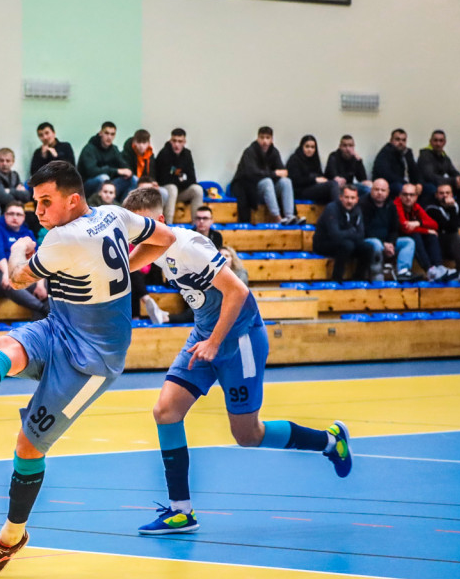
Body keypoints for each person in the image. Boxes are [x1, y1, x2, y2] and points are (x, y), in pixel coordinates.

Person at [0, 160, 176, 576]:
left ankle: (11, 536)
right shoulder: (115, 215)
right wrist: (121, 264)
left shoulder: (63, 239)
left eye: (46, 202)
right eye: (35, 202)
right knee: (3, 347)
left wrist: (16, 252)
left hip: (93, 360)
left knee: (27, 447)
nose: (39, 211)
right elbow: (167, 237)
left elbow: (15, 279)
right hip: (60, 325)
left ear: (73, 199)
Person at [123, 186, 353, 536]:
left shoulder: (189, 246)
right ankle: (181, 511)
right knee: (166, 411)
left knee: (247, 434)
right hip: (204, 335)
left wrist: (215, 343)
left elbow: (239, 292)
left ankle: (329, 441)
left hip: (239, 338)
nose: (131, 237)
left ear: (156, 221)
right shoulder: (156, 245)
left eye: (135, 227)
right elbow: (122, 266)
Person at [0, 202, 48, 317]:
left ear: (24, 217)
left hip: (20, 274)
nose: (15, 217)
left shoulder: (27, 233)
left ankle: (42, 324)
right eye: (11, 214)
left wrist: (40, 285)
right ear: (5, 215)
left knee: (49, 285)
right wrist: (7, 273)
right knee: (12, 281)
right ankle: (42, 309)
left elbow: (37, 259)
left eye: (18, 214)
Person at [231, 126, 298, 225]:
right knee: (267, 181)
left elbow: (283, 172)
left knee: (286, 181)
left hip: (269, 189)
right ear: (257, 138)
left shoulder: (274, 152)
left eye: (267, 138)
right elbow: (252, 173)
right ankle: (277, 217)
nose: (264, 141)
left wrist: (277, 174)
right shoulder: (250, 151)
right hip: (252, 187)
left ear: (272, 139)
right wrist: (274, 174)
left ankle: (289, 216)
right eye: (262, 137)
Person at [312, 185, 374, 281]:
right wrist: (351, 231)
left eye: (352, 198)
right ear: (341, 197)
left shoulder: (357, 210)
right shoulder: (332, 208)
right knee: (347, 245)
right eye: (347, 197)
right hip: (323, 243)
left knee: (368, 247)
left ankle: (359, 278)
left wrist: (348, 233)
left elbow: (361, 234)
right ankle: (337, 278)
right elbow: (334, 235)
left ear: (357, 199)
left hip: (347, 243)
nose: (349, 201)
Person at [395, 183, 454, 282]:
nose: (408, 198)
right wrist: (425, 230)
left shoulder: (416, 207)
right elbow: (405, 228)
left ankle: (438, 267)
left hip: (410, 234)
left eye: (411, 195)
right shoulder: (396, 205)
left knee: (431, 236)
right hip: (397, 237)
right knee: (415, 235)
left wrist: (419, 223)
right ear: (400, 196)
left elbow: (434, 224)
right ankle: (429, 270)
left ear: (416, 197)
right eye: (405, 195)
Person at [361, 178, 415, 282]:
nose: (379, 193)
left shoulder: (391, 205)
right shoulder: (363, 204)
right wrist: (383, 243)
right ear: (371, 190)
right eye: (376, 189)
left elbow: (394, 229)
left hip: (386, 242)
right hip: (368, 240)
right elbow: (364, 230)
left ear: (388, 192)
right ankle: (377, 273)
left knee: (408, 242)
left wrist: (391, 243)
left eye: (383, 190)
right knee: (376, 243)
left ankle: (403, 271)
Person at [155, 128, 203, 225]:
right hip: (166, 192)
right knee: (172, 188)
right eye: (174, 141)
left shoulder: (187, 154)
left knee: (197, 189)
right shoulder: (164, 154)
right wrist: (181, 179)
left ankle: (197, 225)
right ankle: (168, 225)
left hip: (181, 191)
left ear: (184, 142)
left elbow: (192, 178)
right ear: (170, 141)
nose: (177, 144)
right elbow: (163, 179)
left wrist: (178, 179)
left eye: (180, 141)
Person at [77, 121, 133, 199]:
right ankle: (98, 205)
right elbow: (92, 171)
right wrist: (117, 171)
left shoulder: (114, 149)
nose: (109, 137)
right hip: (87, 186)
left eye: (112, 134)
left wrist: (128, 171)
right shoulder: (89, 149)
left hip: (109, 184)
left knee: (133, 179)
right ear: (100, 133)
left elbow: (124, 165)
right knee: (103, 178)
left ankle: (123, 207)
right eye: (106, 133)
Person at [425, 182, 460, 280]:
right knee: (454, 235)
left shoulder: (457, 206)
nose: (445, 195)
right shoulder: (431, 209)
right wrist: (451, 208)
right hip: (439, 245)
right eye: (441, 193)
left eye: (447, 193)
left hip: (455, 246)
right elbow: (450, 228)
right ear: (436, 195)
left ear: (452, 194)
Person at [286, 135, 341, 206]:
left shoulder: (315, 159)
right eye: (307, 146)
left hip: (313, 188)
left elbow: (320, 175)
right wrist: (314, 180)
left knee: (337, 188)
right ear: (302, 147)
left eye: (312, 147)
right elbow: (295, 180)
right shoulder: (294, 159)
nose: (310, 150)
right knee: (332, 185)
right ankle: (339, 213)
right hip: (301, 191)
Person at [123, 129, 169, 212]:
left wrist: (152, 182)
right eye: (139, 142)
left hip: (146, 183)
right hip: (132, 183)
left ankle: (158, 215)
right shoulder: (127, 152)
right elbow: (128, 172)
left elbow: (152, 173)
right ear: (134, 142)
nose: (141, 146)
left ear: (148, 143)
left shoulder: (150, 155)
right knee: (135, 179)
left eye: (144, 143)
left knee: (164, 192)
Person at [418, 130, 460, 204]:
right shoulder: (425, 155)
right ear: (430, 141)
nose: (438, 143)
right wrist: (453, 180)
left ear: (444, 142)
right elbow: (430, 176)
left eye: (441, 141)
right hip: (428, 184)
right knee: (434, 189)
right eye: (435, 140)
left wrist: (459, 179)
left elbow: (453, 171)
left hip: (442, 183)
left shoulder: (444, 157)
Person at [372, 128, 421, 197]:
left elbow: (415, 171)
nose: (401, 142)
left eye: (403, 140)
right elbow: (386, 174)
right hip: (390, 184)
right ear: (391, 140)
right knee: (400, 188)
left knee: (425, 188)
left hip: (406, 183)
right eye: (397, 139)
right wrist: (406, 184)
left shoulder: (407, 152)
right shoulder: (385, 152)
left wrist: (418, 183)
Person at [324, 135, 371, 199]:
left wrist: (359, 162)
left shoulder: (355, 159)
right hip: (335, 187)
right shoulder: (333, 156)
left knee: (368, 189)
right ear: (340, 147)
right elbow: (334, 176)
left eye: (350, 146)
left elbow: (362, 179)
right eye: (345, 146)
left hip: (349, 186)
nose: (348, 148)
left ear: (354, 147)